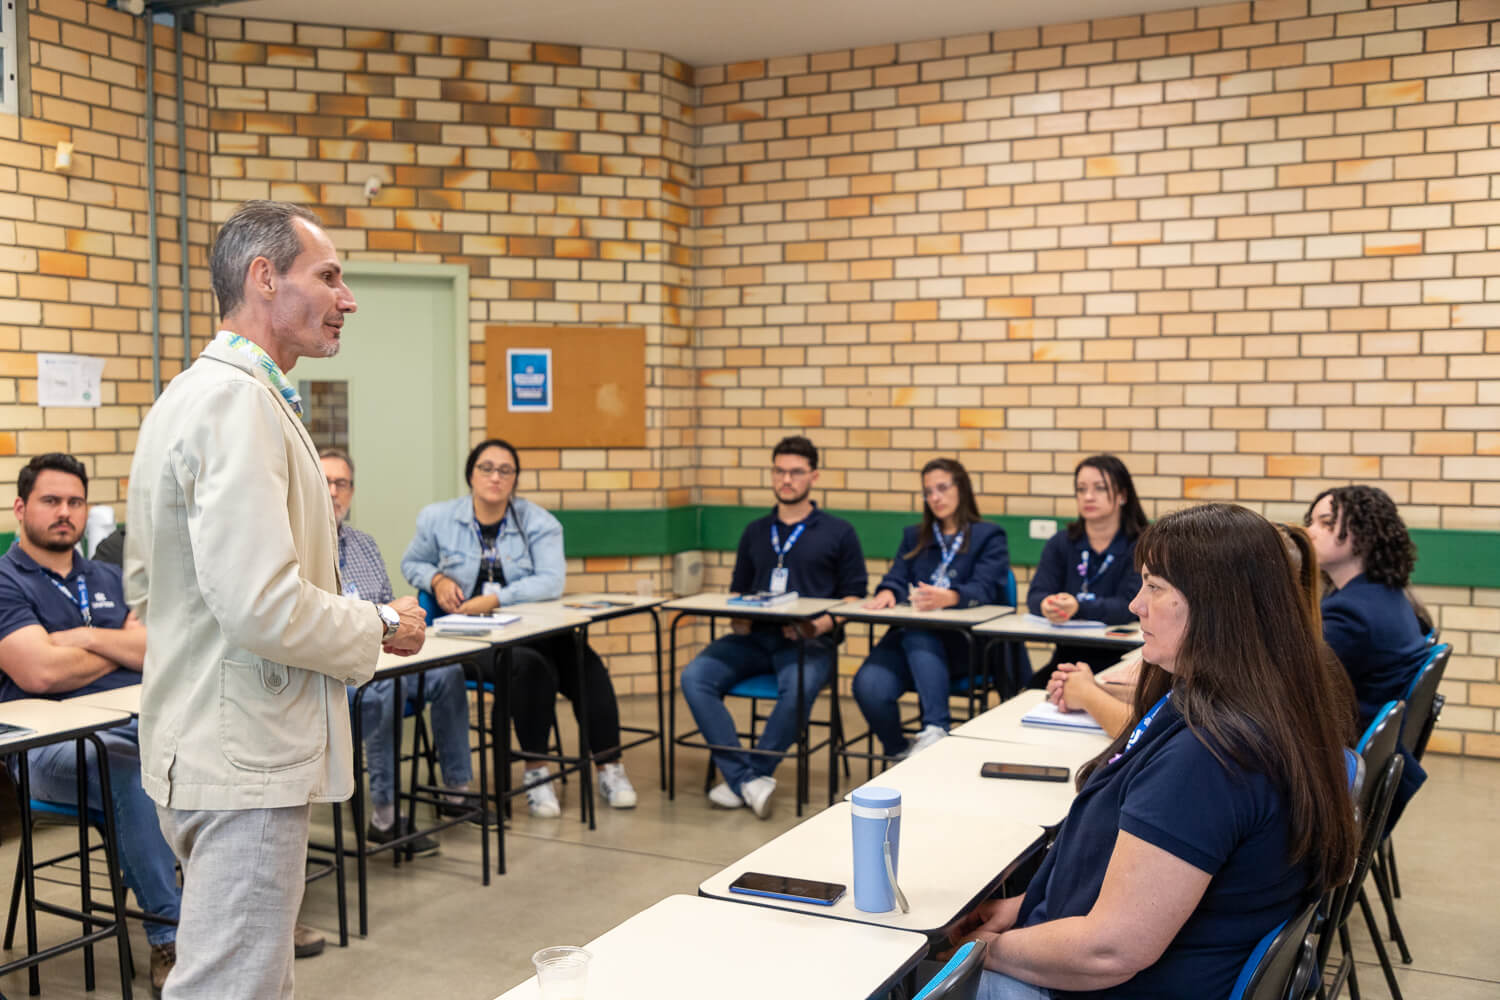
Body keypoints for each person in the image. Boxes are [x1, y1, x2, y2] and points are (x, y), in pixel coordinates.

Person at [125, 200, 427, 1000]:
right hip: (244, 757)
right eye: (329, 277)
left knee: (242, 976)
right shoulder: (234, 404)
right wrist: (378, 622)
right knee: (235, 987)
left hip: (214, 741)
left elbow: (146, 585)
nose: (347, 298)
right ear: (264, 278)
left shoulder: (194, 397)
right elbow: (260, 604)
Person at [946, 503, 1358, 999]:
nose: (1135, 604)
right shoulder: (1257, 702)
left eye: (1155, 587)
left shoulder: (1209, 760)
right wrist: (1028, 905)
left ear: (1216, 605)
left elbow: (1109, 951)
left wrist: (982, 952)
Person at [0, 453, 180, 994]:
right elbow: (37, 670)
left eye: (75, 502)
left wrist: (81, 638)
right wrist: (116, 646)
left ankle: (227, 918)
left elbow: (153, 649)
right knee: (126, 768)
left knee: (198, 750)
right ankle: (170, 937)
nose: (65, 512)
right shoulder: (6, 581)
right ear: (20, 508)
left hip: (128, 723)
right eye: (51, 501)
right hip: (43, 750)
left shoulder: (105, 575)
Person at [401, 437, 637, 817]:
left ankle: (610, 767)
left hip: (527, 628)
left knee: (584, 661)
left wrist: (496, 599)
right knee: (530, 667)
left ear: (515, 480)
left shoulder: (538, 522)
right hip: (466, 638)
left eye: (505, 471)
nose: (495, 477)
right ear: (471, 475)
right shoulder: (437, 518)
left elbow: (550, 581)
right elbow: (412, 563)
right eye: (486, 468)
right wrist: (438, 580)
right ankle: (536, 773)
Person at [680, 435, 867, 819]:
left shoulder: (839, 531)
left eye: (796, 472)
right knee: (694, 676)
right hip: (754, 639)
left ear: (814, 476)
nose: (787, 480)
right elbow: (738, 592)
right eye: (779, 471)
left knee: (798, 685)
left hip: (809, 643)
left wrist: (815, 628)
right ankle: (747, 780)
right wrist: (739, 616)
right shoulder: (755, 531)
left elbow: (854, 600)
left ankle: (751, 776)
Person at [320, 448, 491, 856]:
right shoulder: (300, 546)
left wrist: (399, 618)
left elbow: (385, 605)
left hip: (383, 657)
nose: (332, 492)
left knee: (448, 673)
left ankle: (455, 792)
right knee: (380, 694)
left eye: (340, 484)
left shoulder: (364, 544)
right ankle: (384, 817)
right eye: (323, 482)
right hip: (334, 676)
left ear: (352, 491)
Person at [1048, 522, 1327, 740]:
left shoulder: (1231, 716)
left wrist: (1088, 695)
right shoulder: (1272, 659)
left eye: (1155, 586)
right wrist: (1094, 689)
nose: (1136, 605)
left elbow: (1146, 731)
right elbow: (1164, 709)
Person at [852, 458, 1010, 759]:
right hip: (910, 643)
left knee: (918, 631)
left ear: (961, 488)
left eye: (941, 488)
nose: (934, 498)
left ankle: (936, 727)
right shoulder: (915, 536)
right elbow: (897, 576)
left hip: (961, 646)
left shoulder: (988, 536)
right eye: (928, 492)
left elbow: (986, 588)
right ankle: (901, 753)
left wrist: (951, 597)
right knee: (869, 686)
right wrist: (887, 591)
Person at [1304, 484, 1430, 817]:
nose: (1309, 532)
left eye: (1326, 522)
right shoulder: (1384, 595)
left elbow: (1295, 687)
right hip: (1371, 762)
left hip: (1343, 770)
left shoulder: (1352, 613)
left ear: (1363, 534)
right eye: (1311, 521)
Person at [1025, 455, 1146, 678]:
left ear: (1122, 495)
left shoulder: (1141, 544)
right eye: (1081, 489)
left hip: (1124, 660)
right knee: (1030, 692)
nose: (1088, 497)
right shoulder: (1061, 543)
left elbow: (1128, 606)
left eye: (1099, 488)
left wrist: (1077, 607)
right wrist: (1048, 605)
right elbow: (1035, 595)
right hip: (1068, 659)